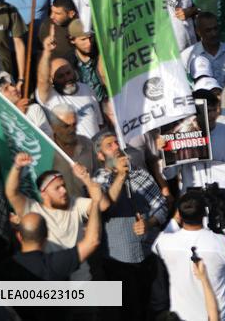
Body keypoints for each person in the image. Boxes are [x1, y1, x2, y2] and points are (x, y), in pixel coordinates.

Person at [92, 130, 169, 321]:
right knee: (129, 313)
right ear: (100, 156)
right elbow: (104, 208)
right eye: (109, 145)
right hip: (119, 262)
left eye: (117, 143)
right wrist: (119, 176)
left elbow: (162, 206)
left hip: (149, 254)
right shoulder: (98, 180)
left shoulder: (139, 173)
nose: (117, 147)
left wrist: (149, 222)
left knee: (157, 308)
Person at [5, 151, 108, 281]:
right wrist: (17, 167)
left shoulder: (75, 203)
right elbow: (12, 193)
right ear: (43, 193)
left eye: (64, 186)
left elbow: (102, 205)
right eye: (57, 188)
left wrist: (86, 179)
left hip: (82, 281)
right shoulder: (33, 210)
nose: (64, 190)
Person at [152, 190, 225, 321]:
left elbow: (156, 246)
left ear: (179, 215)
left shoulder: (164, 242)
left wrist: (176, 218)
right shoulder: (222, 243)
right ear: (204, 213)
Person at [36, 34, 103, 139]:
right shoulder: (50, 97)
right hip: (74, 152)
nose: (66, 78)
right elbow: (42, 80)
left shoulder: (87, 89)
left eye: (68, 73)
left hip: (95, 150)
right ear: (51, 80)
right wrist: (47, 52)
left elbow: (99, 123)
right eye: (60, 76)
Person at [183, 12, 225, 89]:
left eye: (215, 28)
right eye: (208, 30)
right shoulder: (187, 56)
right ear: (198, 32)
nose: (214, 33)